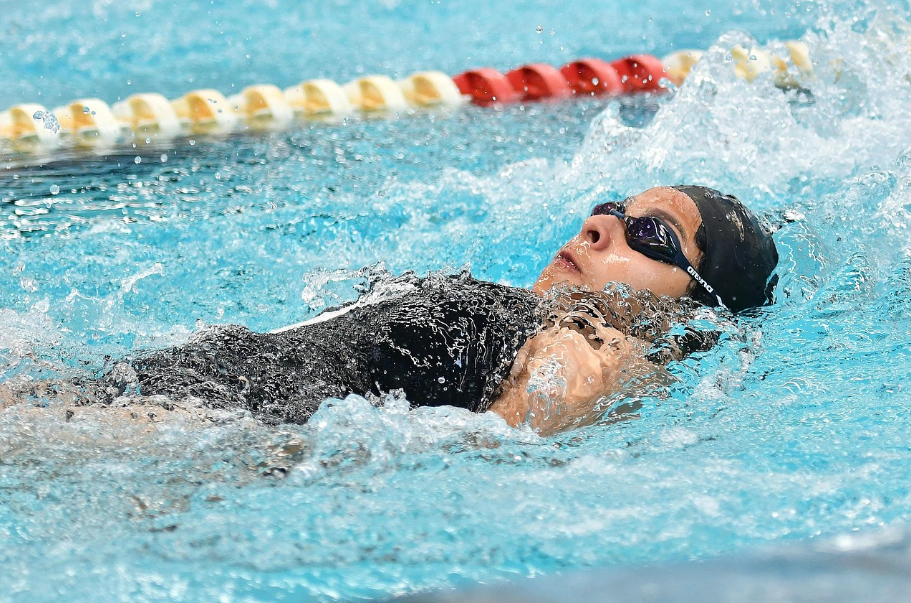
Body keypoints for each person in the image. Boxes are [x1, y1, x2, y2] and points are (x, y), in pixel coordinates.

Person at [87, 185, 778, 434]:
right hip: (163, 393)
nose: (597, 229)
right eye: (608, 209)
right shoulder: (515, 309)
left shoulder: (600, 344)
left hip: (176, 427)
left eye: (650, 234)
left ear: (692, 310)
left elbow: (500, 451)